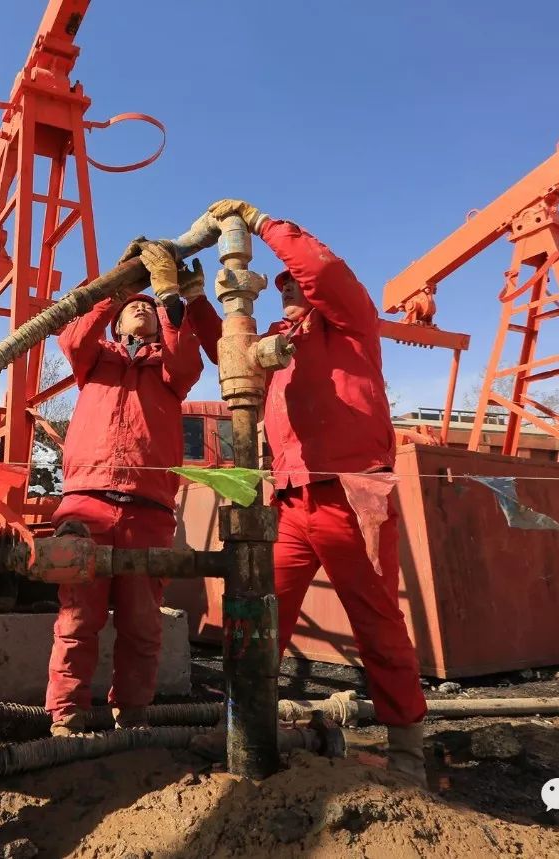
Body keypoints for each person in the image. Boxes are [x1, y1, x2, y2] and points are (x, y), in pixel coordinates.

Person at [207, 199, 429, 786]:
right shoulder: (280, 345)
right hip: (290, 502)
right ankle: (245, 739)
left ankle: (407, 756)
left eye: (292, 285)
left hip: (352, 494)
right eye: (279, 289)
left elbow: (324, 272)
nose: (286, 294)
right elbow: (223, 354)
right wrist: (182, 296)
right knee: (258, 622)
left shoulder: (352, 325)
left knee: (377, 624)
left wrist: (262, 225)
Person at [44, 242, 205, 735]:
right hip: (85, 505)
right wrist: (119, 285)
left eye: (150, 307)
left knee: (142, 623)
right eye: (134, 305)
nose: (143, 308)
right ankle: (66, 717)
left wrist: (170, 297)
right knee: (77, 620)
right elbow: (73, 339)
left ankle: (132, 715)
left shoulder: (170, 370)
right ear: (115, 319)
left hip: (148, 510)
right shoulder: (95, 362)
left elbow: (187, 361)